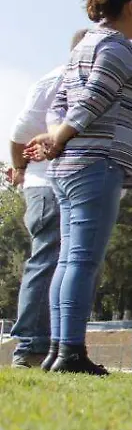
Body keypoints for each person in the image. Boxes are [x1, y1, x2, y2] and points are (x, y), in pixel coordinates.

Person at [27, 0, 132, 375]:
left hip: (67, 165)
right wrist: (62, 135)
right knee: (83, 262)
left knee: (67, 261)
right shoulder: (117, 47)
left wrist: (55, 137)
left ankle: (58, 350)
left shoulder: (84, 45)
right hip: (96, 163)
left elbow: (61, 101)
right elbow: (96, 96)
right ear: (131, 7)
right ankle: (70, 352)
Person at [6, 30, 87, 368]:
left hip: (68, 182)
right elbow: (19, 133)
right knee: (48, 259)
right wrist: (21, 169)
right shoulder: (56, 80)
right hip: (46, 185)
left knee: (63, 262)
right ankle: (30, 345)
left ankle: (53, 345)